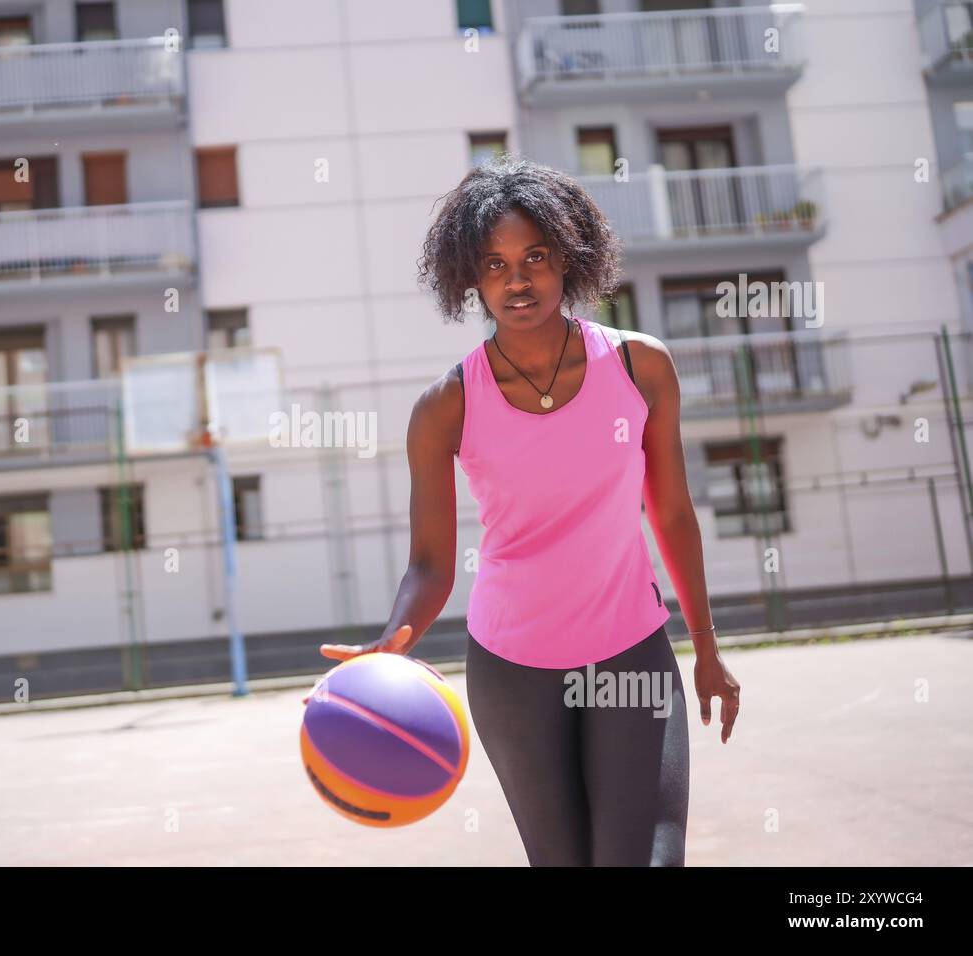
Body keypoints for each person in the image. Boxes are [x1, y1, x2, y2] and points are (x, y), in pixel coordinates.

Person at [316, 156, 740, 866]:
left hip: (630, 648)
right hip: (514, 667)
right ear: (469, 277)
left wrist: (705, 644)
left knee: (648, 858)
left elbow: (671, 513)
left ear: (569, 258)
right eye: (495, 263)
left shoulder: (640, 367)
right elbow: (429, 562)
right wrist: (396, 635)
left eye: (536, 257)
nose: (518, 280)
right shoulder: (445, 406)